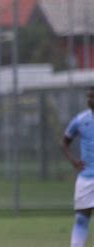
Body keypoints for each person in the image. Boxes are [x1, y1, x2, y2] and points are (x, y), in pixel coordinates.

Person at [62, 86, 94, 247]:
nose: (90, 100)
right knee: (81, 218)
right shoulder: (80, 120)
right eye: (89, 97)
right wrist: (73, 160)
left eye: (93, 97)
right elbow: (65, 142)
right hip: (86, 177)